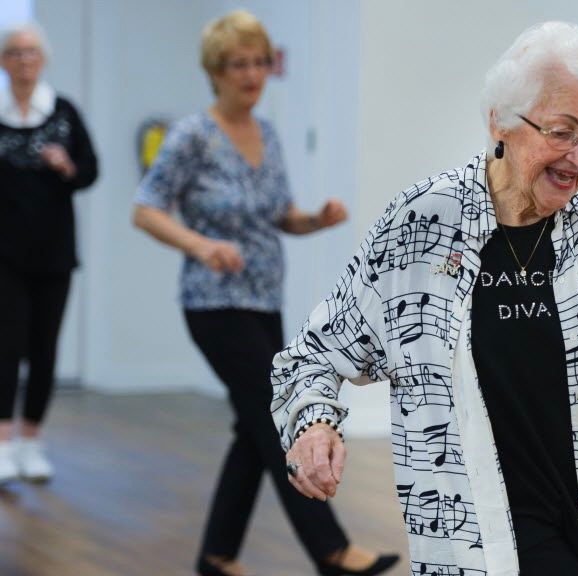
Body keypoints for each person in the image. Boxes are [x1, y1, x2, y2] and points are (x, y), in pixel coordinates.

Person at [272, 21, 578, 576]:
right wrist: (314, 424)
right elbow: (309, 359)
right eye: (562, 132)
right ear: (501, 121)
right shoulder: (421, 228)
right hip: (474, 546)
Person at [132, 10, 398, 576]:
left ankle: (217, 555)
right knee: (273, 416)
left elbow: (279, 216)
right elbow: (146, 209)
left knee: (250, 426)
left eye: (259, 62)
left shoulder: (268, 133)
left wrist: (314, 221)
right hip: (214, 302)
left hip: (264, 301)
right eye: (238, 64)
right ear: (216, 71)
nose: (252, 74)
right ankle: (331, 551)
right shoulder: (191, 136)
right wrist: (202, 245)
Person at [0, 22, 98, 486]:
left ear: (43, 59)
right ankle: (2, 443)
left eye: (31, 52)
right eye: (15, 52)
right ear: (3, 61)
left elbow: (89, 173)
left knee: (44, 349)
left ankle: (31, 442)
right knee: (6, 347)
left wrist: (67, 167)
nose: (24, 60)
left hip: (54, 252)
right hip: (4, 254)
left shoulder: (64, 113)